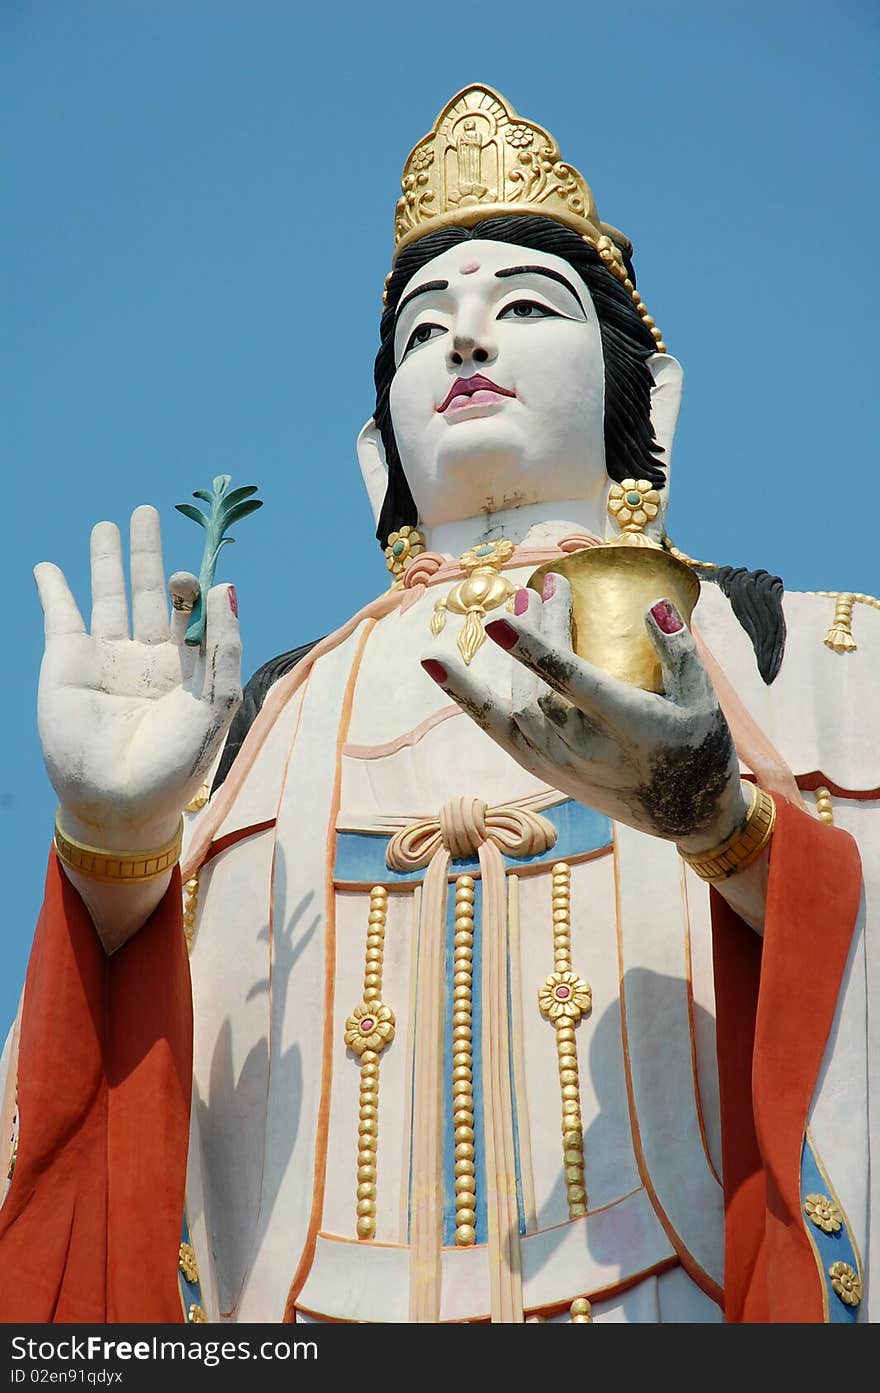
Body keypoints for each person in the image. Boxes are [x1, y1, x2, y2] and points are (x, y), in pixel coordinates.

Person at [1, 84, 876, 1325]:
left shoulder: (817, 661)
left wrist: (726, 830)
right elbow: (119, 1151)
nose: (464, 343)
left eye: (524, 308)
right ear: (379, 454)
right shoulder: (251, 729)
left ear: (653, 403)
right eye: (423, 331)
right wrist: (112, 851)